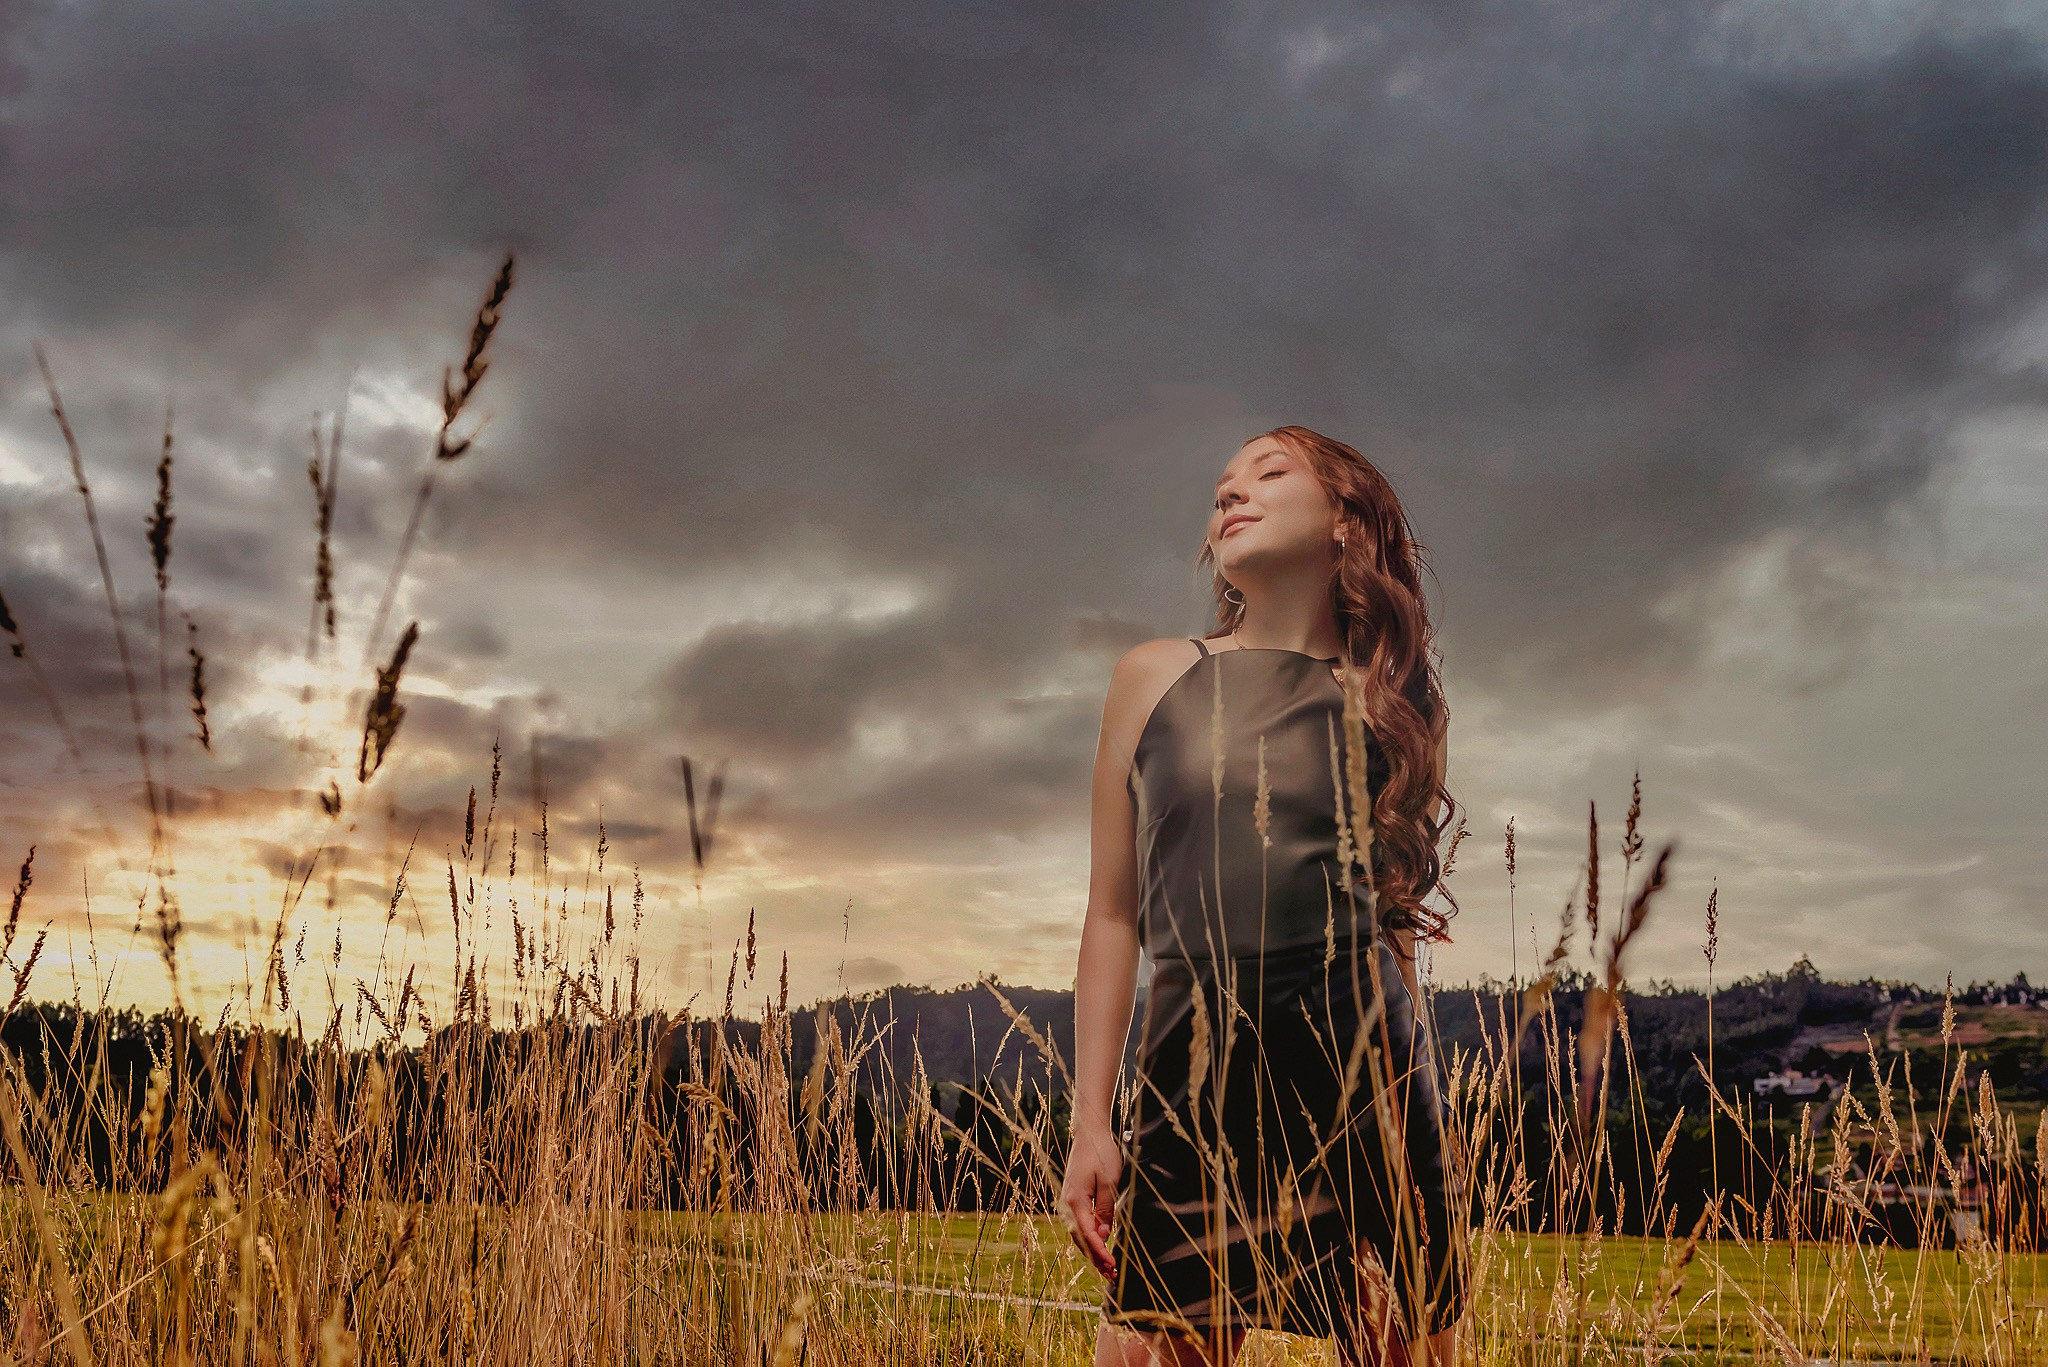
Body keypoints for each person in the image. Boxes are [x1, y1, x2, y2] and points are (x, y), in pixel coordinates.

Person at [1062, 426, 1469, 1366]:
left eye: (1269, 473)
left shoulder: (1397, 706)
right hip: (1191, 1082)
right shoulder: (1153, 675)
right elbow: (1113, 912)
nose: (1231, 495)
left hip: (1366, 1079)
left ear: (1344, 521)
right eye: (1220, 490)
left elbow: (1394, 925)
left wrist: (1426, 1109)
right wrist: (1093, 1119)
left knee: (1408, 1349)